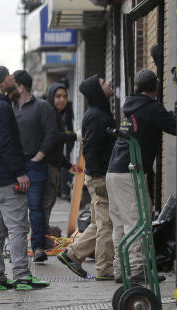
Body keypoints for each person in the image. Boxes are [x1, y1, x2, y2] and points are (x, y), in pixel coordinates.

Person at [0, 65, 49, 291]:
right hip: (6, 180)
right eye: (7, 76)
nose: (11, 77)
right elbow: (5, 144)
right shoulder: (1, 108)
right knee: (18, 227)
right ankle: (22, 276)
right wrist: (19, 172)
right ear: (0, 83)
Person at [105, 69, 176, 284]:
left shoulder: (130, 105)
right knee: (137, 221)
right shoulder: (150, 108)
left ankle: (121, 269)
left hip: (113, 171)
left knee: (119, 224)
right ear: (155, 87)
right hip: (130, 172)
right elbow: (175, 127)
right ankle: (135, 270)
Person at [57, 75, 117, 281]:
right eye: (103, 83)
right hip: (99, 177)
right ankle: (105, 268)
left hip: (99, 176)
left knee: (97, 222)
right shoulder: (96, 116)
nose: (108, 83)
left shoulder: (99, 113)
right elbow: (90, 149)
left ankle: (72, 255)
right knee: (106, 224)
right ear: (97, 91)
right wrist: (98, 177)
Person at [11, 70, 59, 263]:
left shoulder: (42, 107)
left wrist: (39, 156)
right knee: (15, 209)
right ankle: (17, 248)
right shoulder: (9, 107)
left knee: (36, 207)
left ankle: (38, 247)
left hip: (35, 165)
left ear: (21, 87)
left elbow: (52, 134)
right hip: (15, 167)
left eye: (12, 84)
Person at [43, 83, 77, 223]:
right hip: (47, 169)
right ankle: (41, 240)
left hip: (54, 167)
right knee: (46, 204)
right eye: (58, 96)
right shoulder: (49, 114)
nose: (62, 100)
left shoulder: (57, 115)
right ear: (51, 97)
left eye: (64, 96)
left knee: (49, 204)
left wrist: (68, 165)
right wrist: (75, 136)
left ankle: (43, 237)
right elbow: (54, 137)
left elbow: (56, 147)